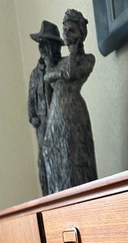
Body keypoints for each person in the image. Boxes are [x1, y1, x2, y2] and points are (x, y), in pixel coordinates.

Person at [43, 9, 98, 194]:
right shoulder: (61, 62)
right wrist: (59, 72)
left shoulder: (88, 59)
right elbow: (48, 77)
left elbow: (72, 73)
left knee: (74, 160)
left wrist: (73, 53)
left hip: (73, 115)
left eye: (71, 30)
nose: (66, 35)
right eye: (64, 30)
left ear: (81, 35)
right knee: (52, 154)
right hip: (55, 115)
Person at [28, 21, 63, 196]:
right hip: (41, 122)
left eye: (46, 43)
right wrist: (32, 116)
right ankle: (48, 195)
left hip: (57, 119)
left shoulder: (59, 67)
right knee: (43, 158)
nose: (43, 47)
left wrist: (50, 65)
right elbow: (31, 99)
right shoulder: (35, 74)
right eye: (41, 43)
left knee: (58, 156)